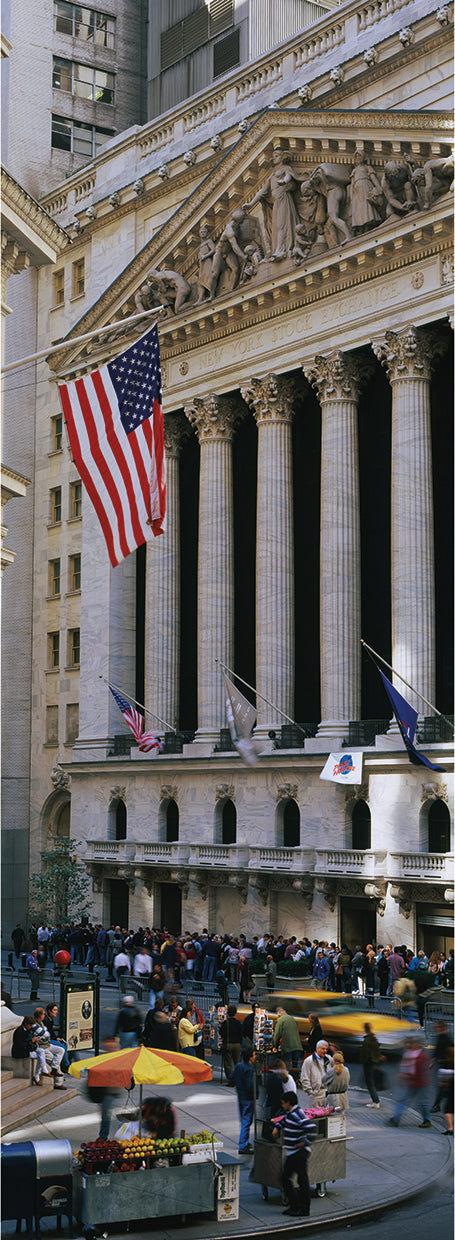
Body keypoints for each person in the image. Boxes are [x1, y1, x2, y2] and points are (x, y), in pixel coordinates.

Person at [272, 1091, 315, 1218]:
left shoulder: (297, 1115)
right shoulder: (291, 1114)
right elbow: (284, 1120)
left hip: (298, 1153)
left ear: (288, 1103)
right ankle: (296, 1206)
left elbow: (311, 1128)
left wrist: (303, 1143)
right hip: (293, 1153)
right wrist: (277, 1127)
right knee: (288, 1179)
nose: (282, 1106)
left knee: (299, 1181)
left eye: (283, 1103)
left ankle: (302, 1209)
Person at [388, 1035, 432, 1128]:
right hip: (410, 1083)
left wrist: (406, 1076)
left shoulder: (422, 1055)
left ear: (419, 1044)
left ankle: (427, 1120)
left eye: (414, 1042)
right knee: (404, 1101)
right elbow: (404, 1065)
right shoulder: (409, 1052)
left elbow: (420, 1071)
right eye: (411, 1042)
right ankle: (395, 1119)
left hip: (419, 1083)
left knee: (422, 1103)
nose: (411, 1044)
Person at [31, 1008, 66, 1088]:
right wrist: (45, 1035)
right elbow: (45, 1034)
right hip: (42, 1047)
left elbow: (47, 1034)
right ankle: (58, 1084)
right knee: (55, 1062)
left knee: (61, 1050)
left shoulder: (41, 1023)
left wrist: (45, 1035)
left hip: (47, 1044)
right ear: (40, 1015)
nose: (44, 1015)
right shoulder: (35, 1024)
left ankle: (54, 1068)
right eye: (43, 1014)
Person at [230, 1047, 255, 1154]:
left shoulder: (238, 1066)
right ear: (250, 1057)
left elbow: (231, 1078)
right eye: (254, 1055)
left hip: (240, 1096)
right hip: (248, 1098)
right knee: (246, 1121)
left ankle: (244, 1141)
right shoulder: (249, 1069)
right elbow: (250, 1086)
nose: (255, 1056)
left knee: (244, 1120)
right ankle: (243, 1145)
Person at [12, 1015, 49, 1085]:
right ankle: (37, 1076)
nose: (31, 1026)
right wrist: (30, 1042)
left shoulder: (28, 1029)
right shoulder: (19, 1031)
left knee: (41, 1051)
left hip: (27, 1049)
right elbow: (19, 1045)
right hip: (20, 1052)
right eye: (30, 1025)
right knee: (40, 1056)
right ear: (26, 1024)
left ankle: (44, 1070)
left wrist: (34, 1041)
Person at [429, 1020, 454, 1112]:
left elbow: (450, 1053)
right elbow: (437, 1050)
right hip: (444, 1066)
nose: (434, 1029)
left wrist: (439, 1060)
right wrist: (433, 1061)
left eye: (436, 1027)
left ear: (441, 1028)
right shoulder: (440, 1037)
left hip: (447, 1067)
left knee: (442, 1087)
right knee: (444, 1087)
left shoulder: (445, 1039)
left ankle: (437, 1105)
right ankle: (437, 1104)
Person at [300, 1040, 333, 1104]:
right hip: (315, 1095)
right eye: (323, 1049)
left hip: (327, 1093)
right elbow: (304, 1078)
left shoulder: (328, 1059)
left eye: (326, 1049)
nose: (325, 1051)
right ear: (317, 1048)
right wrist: (311, 1092)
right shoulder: (308, 1061)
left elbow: (339, 1064)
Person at [360, 1022, 384, 1107]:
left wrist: (363, 1061)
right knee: (370, 1082)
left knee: (370, 1083)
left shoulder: (367, 1040)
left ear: (365, 1029)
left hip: (368, 1064)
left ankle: (375, 1102)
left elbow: (365, 1054)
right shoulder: (374, 1038)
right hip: (373, 1063)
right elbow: (377, 1050)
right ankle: (375, 1101)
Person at [273, 1005, 301, 1076]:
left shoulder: (280, 1020)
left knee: (287, 1065)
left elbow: (277, 1034)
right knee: (296, 1066)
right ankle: (296, 1080)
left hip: (287, 1047)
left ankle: (288, 1080)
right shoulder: (293, 1019)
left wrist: (275, 1046)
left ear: (278, 1014)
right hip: (297, 1046)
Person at [43, 1002, 71, 1071]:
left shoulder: (50, 1019)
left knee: (65, 1044)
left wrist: (56, 1038)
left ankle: (65, 1063)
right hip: (47, 1040)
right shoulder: (46, 1020)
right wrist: (55, 1039)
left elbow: (51, 1032)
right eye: (54, 1010)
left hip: (51, 1038)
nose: (56, 1012)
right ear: (49, 1011)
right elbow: (48, 1033)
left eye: (56, 1010)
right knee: (61, 1046)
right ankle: (66, 1065)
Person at [220, 1004, 243, 1081]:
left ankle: (230, 1079)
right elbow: (241, 1033)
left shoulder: (225, 1023)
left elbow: (221, 1033)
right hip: (237, 1044)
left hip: (228, 1043)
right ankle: (238, 1078)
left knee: (228, 1063)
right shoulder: (238, 1023)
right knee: (237, 1062)